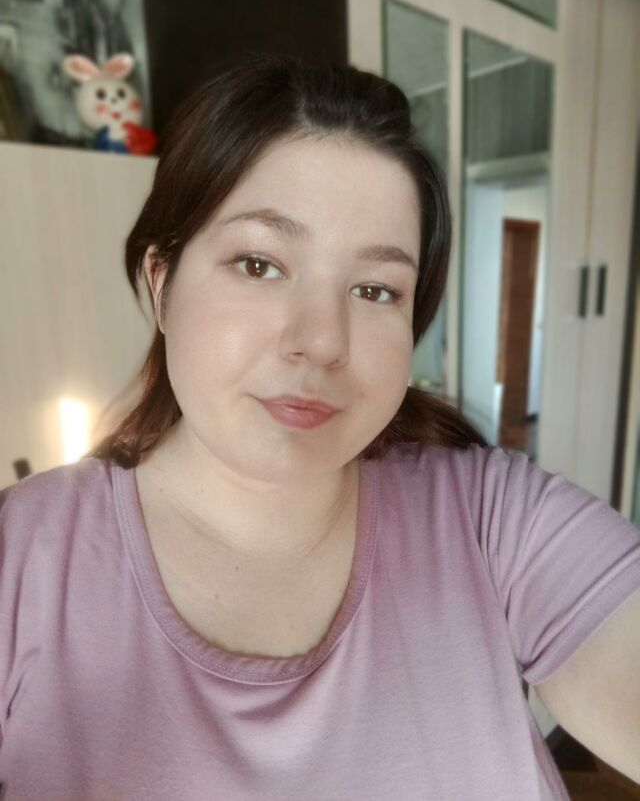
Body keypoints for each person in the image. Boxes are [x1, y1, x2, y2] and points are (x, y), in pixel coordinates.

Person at [1, 52, 639, 800]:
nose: (322, 340)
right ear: (161, 282)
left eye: (375, 289)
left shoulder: (493, 521)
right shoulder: (22, 560)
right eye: (259, 264)